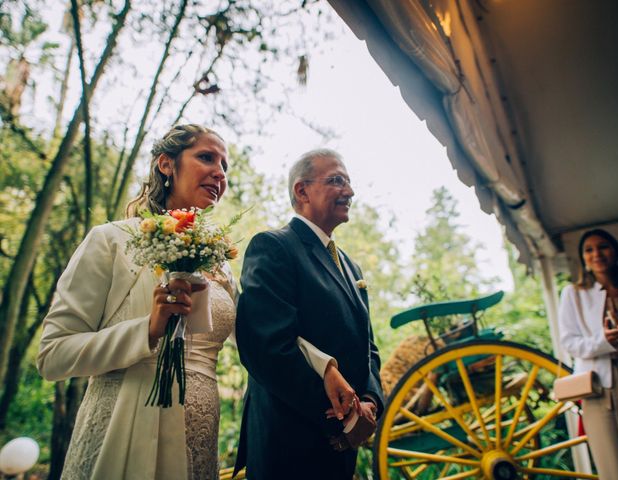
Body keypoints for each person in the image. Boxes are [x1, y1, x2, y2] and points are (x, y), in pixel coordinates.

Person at [37, 124, 237, 480]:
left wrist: (325, 369)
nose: (219, 172)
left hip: (200, 438)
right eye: (206, 157)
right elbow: (53, 354)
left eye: (224, 165)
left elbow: (264, 337)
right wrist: (145, 330)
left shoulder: (220, 265)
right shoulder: (111, 240)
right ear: (166, 164)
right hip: (122, 431)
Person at [234, 149, 384, 480]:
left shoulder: (350, 265)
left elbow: (367, 346)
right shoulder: (273, 247)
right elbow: (267, 347)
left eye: (348, 182)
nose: (350, 191)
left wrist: (371, 400)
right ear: (302, 191)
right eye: (337, 181)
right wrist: (339, 414)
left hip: (343, 449)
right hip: (290, 445)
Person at [559, 228, 618, 479]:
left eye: (603, 246)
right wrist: (604, 341)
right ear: (583, 258)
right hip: (598, 385)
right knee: (613, 462)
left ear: (615, 251)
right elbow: (569, 342)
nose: (597, 254)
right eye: (589, 249)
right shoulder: (573, 294)